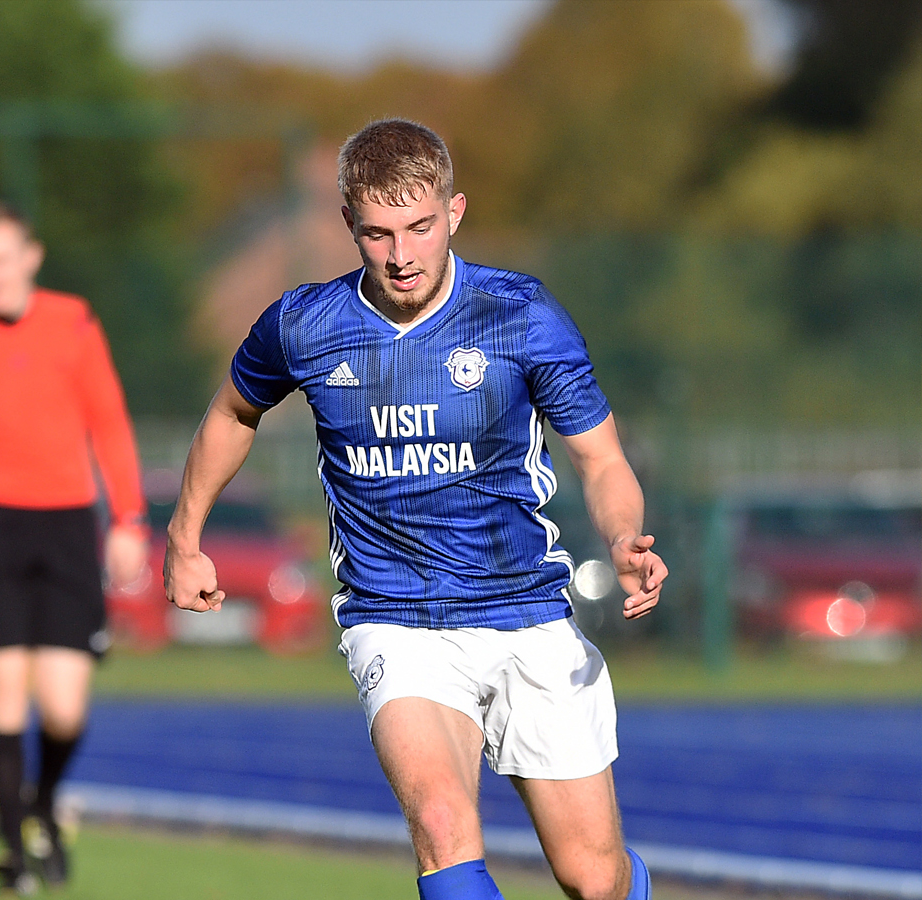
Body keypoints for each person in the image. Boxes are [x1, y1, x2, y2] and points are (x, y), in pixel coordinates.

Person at [164, 119, 667, 900]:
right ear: (348, 227)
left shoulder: (520, 315)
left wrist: (626, 535)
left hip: (523, 612)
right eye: (378, 234)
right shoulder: (304, 324)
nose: (402, 256)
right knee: (440, 824)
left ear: (454, 212)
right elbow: (233, 412)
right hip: (395, 620)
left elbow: (600, 458)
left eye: (419, 228)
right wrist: (185, 533)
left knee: (593, 878)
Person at [0, 202, 148, 895]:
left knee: (66, 705)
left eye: (0, 258)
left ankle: (41, 804)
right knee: (6, 695)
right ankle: (14, 847)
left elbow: (109, 422)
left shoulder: (73, 322)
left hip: (69, 525)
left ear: (30, 256)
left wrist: (129, 519)